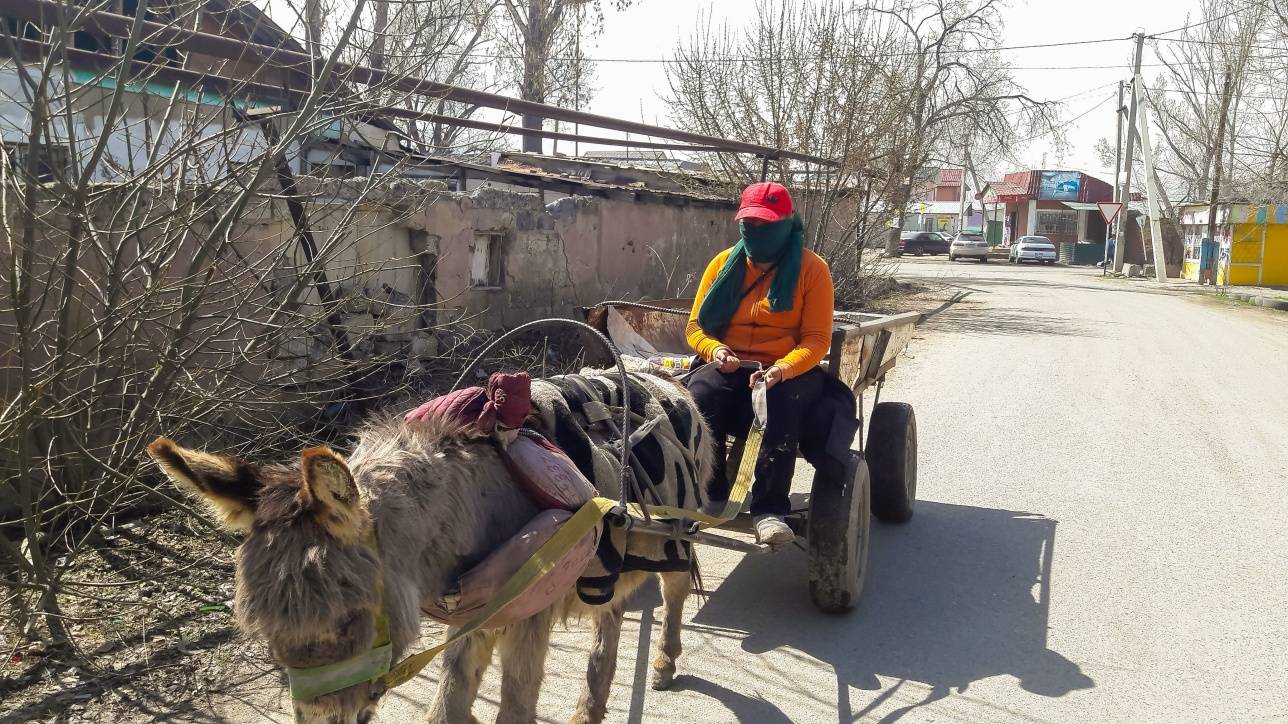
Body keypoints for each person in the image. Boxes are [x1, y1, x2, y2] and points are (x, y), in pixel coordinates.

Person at [685, 181, 834, 546]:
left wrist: (781, 370)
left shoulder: (813, 270)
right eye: (749, 223)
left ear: (786, 224)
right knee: (699, 396)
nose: (756, 231)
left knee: (781, 403)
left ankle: (769, 509)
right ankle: (712, 491)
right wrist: (715, 351)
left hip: (788, 369)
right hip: (732, 364)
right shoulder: (722, 264)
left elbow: (817, 341)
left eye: (765, 225)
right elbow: (695, 327)